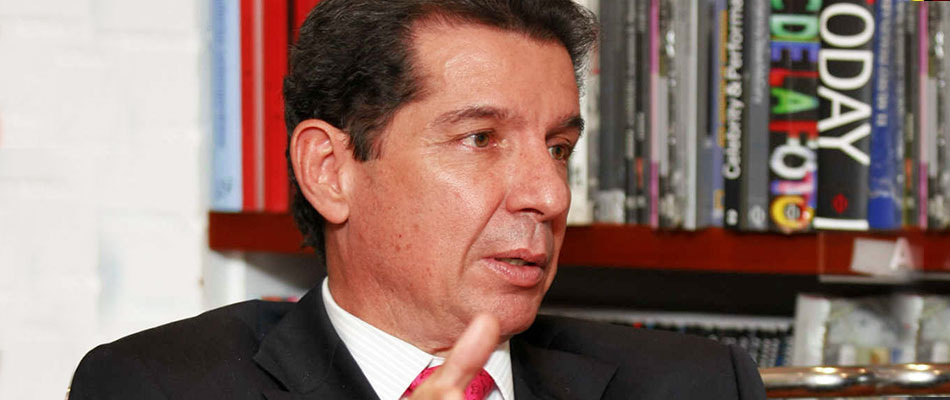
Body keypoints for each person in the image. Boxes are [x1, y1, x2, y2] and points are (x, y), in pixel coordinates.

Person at [69, 0, 767, 399]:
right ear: (330, 170)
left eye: (558, 147)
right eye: (480, 138)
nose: (549, 194)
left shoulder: (698, 385)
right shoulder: (158, 387)